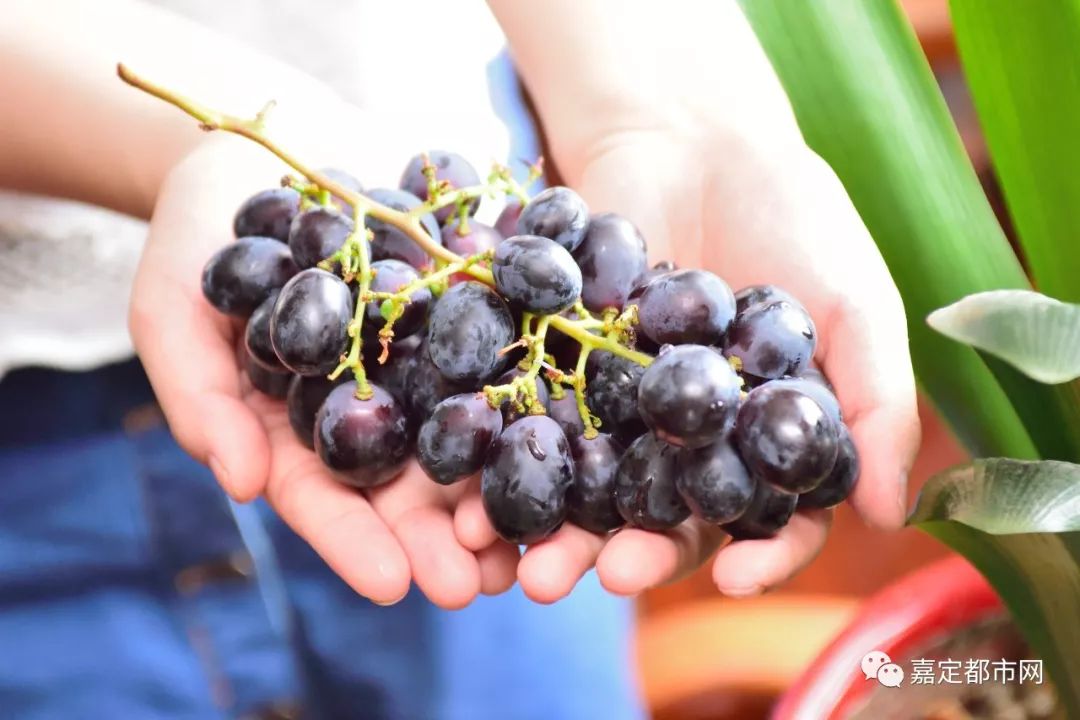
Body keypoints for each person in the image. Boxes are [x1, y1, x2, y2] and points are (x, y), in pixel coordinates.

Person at [0, 1, 920, 718]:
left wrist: (666, 114)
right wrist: (174, 144)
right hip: (32, 484)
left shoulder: (522, 317)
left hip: (455, 197)